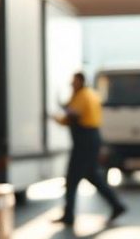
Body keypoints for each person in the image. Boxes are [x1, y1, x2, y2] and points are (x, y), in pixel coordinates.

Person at [53, 71, 127, 227]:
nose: (71, 84)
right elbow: (70, 118)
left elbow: (74, 114)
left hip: (84, 141)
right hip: (90, 139)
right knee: (92, 176)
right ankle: (117, 205)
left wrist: (62, 109)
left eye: (73, 81)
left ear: (80, 81)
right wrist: (59, 118)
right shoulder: (90, 94)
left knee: (72, 178)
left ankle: (69, 215)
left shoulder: (82, 96)